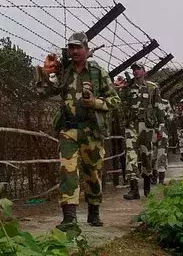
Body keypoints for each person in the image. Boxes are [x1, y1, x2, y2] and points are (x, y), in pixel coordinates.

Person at [37, 32, 120, 231]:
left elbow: (115, 101)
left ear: (86, 49)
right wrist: (44, 73)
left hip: (91, 130)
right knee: (68, 172)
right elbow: (44, 93)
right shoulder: (65, 72)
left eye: (77, 48)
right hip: (69, 130)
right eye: (70, 48)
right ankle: (69, 218)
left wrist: (95, 102)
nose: (73, 51)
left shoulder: (97, 72)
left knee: (92, 173)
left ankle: (94, 211)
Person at [120, 63, 160, 200]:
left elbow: (157, 106)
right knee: (131, 155)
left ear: (144, 71)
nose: (136, 71)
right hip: (131, 125)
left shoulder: (152, 87)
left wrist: (160, 125)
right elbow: (121, 103)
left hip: (147, 126)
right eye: (134, 69)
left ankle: (147, 187)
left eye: (138, 69)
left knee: (146, 155)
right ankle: (134, 189)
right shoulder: (128, 88)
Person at [153, 96, 172, 185]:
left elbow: (170, 117)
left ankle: (161, 179)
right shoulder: (144, 101)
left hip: (161, 130)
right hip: (149, 130)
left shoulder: (165, 103)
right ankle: (152, 177)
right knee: (151, 155)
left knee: (162, 154)